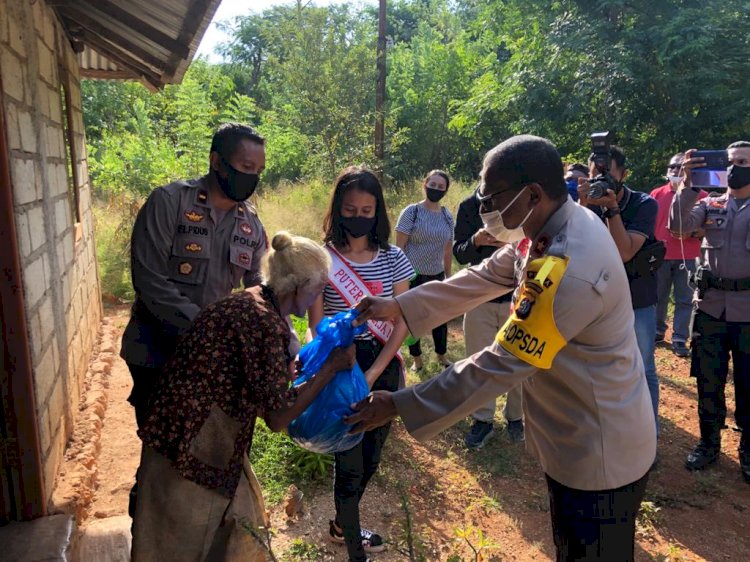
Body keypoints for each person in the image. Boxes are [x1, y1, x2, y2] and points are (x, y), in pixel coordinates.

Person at [347, 135, 656, 562]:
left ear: (532, 194)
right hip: (574, 433)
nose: (485, 206)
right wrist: (400, 305)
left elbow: (501, 363)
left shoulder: (571, 265)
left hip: (599, 449)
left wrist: (400, 403)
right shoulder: (548, 225)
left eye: (493, 197)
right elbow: (484, 276)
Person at [131, 231, 356, 561]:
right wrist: (330, 369)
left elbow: (253, 379)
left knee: (240, 534)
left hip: (184, 435)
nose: (320, 296)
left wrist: (287, 373)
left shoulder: (250, 300)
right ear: (298, 286)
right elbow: (278, 418)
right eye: (319, 288)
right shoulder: (263, 323)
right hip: (190, 452)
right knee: (178, 546)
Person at [121, 123, 268, 518]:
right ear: (216, 161)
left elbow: (259, 286)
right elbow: (150, 282)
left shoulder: (250, 225)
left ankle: (195, 535)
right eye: (243, 166)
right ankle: (149, 534)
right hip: (158, 350)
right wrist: (211, 331)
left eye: (258, 171)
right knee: (160, 455)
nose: (250, 177)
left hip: (213, 363)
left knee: (205, 454)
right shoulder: (169, 202)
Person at [307, 166, 414, 562]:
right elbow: (316, 323)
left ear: (378, 212)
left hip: (383, 365)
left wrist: (373, 373)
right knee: (348, 462)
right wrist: (336, 365)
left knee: (371, 458)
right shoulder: (322, 259)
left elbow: (404, 319)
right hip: (342, 364)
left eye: (367, 209)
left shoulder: (393, 258)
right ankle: (354, 549)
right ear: (338, 209)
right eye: (350, 208)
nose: (358, 216)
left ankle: (340, 522)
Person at [668, 142, 750, 483]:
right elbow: (677, 228)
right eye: (731, 162)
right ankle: (708, 442)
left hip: (748, 312)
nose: (735, 168)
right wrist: (686, 185)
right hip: (711, 308)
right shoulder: (709, 202)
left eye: (743, 162)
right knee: (708, 379)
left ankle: (748, 449)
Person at [578, 146, 661, 436]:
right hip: (597, 298)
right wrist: (584, 207)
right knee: (599, 365)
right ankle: (608, 427)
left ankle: (649, 433)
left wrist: (611, 209)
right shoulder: (582, 206)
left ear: (623, 175)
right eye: (595, 173)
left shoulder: (644, 204)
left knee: (643, 365)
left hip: (637, 297)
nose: (601, 179)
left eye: (607, 173)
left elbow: (625, 251)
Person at [453, 185, 523, 448]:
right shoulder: (468, 206)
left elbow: (536, 247)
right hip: (479, 297)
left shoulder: (520, 201)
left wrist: (513, 245)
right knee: (479, 360)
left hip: (517, 298)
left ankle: (516, 416)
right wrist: (477, 241)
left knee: (518, 359)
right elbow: (460, 253)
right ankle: (482, 420)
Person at [395, 170, 455, 371]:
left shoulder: (447, 216)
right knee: (411, 319)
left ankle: (441, 355)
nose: (435, 189)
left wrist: (448, 276)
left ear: (445, 190)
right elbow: (399, 249)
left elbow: (448, 249)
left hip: (436, 275)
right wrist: (398, 278)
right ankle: (416, 359)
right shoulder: (412, 213)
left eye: (440, 187)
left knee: (440, 318)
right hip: (411, 276)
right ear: (425, 184)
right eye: (433, 184)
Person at [650, 153, 707, 357]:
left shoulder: (700, 196)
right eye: (673, 167)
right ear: (667, 170)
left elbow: (708, 229)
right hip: (660, 255)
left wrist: (691, 232)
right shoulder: (656, 194)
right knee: (658, 296)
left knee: (684, 298)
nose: (676, 170)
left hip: (687, 256)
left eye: (681, 167)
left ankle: (680, 338)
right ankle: (657, 331)